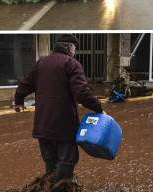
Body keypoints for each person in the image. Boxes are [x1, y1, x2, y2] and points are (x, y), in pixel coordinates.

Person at [14, 34, 104, 188]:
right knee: (67, 160)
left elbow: (23, 86)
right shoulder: (71, 63)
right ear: (69, 47)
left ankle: (49, 186)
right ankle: (60, 188)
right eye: (74, 48)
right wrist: (99, 108)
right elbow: (82, 92)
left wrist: (18, 102)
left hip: (42, 125)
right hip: (64, 126)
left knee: (50, 161)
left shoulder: (40, 63)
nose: (75, 51)